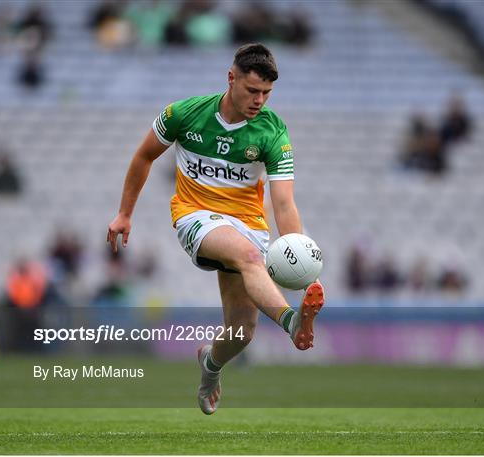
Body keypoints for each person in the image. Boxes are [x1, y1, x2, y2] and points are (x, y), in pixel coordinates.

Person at [107, 43, 325, 415]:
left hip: (248, 225)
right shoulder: (184, 114)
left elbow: (284, 203)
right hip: (195, 215)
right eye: (252, 90)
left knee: (241, 333)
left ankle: (211, 364)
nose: (259, 100)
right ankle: (291, 321)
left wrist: (297, 258)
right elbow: (144, 156)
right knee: (248, 255)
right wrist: (125, 213)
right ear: (231, 79)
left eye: (266, 94)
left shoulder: (272, 132)